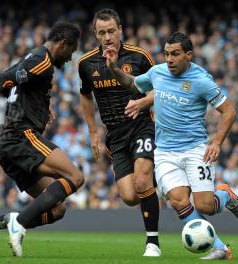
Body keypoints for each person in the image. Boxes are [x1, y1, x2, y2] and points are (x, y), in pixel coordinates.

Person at [104, 32, 238, 260]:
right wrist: (113, 68)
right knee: (179, 201)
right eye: (167, 54)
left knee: (206, 205)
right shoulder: (158, 72)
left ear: (188, 55)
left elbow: (229, 110)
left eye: (175, 54)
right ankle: (218, 247)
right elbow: (132, 84)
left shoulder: (201, 80)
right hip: (165, 152)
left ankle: (226, 195)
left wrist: (217, 142)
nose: (169, 59)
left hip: (195, 149)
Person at [0, 21, 83, 257]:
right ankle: (18, 223)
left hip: (9, 145)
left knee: (57, 209)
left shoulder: (33, 57)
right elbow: (0, 81)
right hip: (21, 137)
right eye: (71, 51)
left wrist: (41, 106)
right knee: (75, 176)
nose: (70, 58)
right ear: (63, 44)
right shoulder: (41, 61)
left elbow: (13, 86)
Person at [78, 9, 161, 257]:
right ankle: (163, 180)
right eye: (102, 32)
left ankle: (153, 243)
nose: (107, 36)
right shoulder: (86, 63)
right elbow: (85, 95)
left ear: (120, 30)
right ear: (96, 34)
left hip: (141, 125)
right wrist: (94, 132)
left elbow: (162, 88)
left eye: (111, 31)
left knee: (142, 179)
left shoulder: (139, 57)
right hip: (115, 134)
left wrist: (143, 103)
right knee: (129, 196)